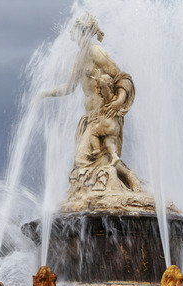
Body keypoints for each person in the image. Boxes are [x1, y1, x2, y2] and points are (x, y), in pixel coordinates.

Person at [40, 13, 140, 194]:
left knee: (82, 159)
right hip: (91, 119)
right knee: (93, 160)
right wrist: (45, 93)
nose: (69, 31)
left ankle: (124, 178)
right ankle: (122, 178)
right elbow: (69, 87)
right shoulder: (80, 57)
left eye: (72, 28)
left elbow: (123, 77)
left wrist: (119, 101)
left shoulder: (96, 52)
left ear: (81, 31)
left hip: (105, 115)